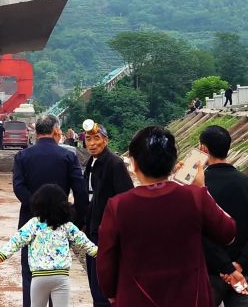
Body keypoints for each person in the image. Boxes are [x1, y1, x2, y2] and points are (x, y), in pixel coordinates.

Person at [97, 126, 236, 307]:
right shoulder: (195, 197)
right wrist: (202, 189)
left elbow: (105, 261)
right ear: (173, 161)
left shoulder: (118, 206)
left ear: (134, 164)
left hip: (137, 298)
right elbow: (228, 233)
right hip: (190, 298)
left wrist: (112, 294)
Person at [13, 114, 88, 307]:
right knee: (58, 275)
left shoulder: (23, 156)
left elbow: (18, 187)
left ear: (36, 132)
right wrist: (77, 222)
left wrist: (36, 208)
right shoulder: (68, 156)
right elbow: (80, 192)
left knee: (31, 275)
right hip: (60, 224)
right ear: (56, 131)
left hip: (30, 223)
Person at [0, 184, 97, 307]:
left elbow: (16, 241)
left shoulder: (34, 224)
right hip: (61, 277)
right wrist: (101, 253)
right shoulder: (67, 226)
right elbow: (85, 243)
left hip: (39, 278)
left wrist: (0, 257)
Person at [81, 120, 134, 307]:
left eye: (97, 139)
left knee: (104, 284)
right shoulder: (90, 163)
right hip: (92, 231)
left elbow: (126, 199)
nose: (92, 143)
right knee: (94, 282)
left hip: (107, 234)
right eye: (88, 139)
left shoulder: (115, 164)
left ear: (106, 141)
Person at [194, 125, 248, 306]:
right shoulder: (244, 183)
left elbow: (196, 231)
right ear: (228, 148)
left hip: (208, 273)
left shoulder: (196, 188)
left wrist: (225, 267)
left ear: (203, 149)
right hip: (242, 273)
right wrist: (239, 264)